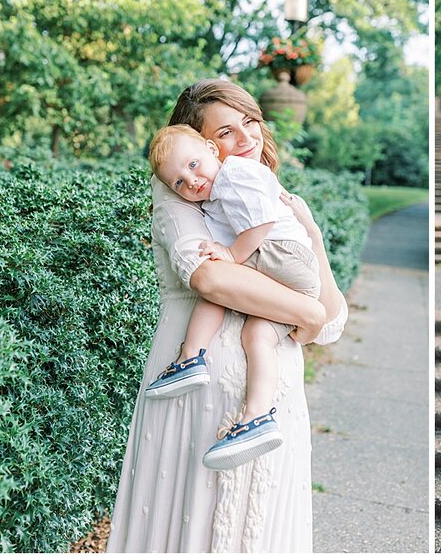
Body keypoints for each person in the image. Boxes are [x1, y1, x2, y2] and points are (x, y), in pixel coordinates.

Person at [108, 79, 347, 553]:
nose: (247, 138)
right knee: (190, 524)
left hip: (275, 402)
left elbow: (332, 320)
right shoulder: (179, 195)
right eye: (226, 132)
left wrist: (314, 236)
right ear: (197, 142)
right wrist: (307, 312)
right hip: (201, 398)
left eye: (250, 123)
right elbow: (211, 278)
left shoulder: (266, 196)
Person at [145, 124, 324, 471]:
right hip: (296, 283)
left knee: (221, 279)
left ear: (213, 151)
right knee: (256, 336)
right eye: (179, 182)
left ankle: (190, 357)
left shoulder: (235, 174)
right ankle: (256, 419)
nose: (191, 181)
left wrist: (232, 253)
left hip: (283, 255)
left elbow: (261, 223)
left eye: (194, 165)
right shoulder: (210, 194)